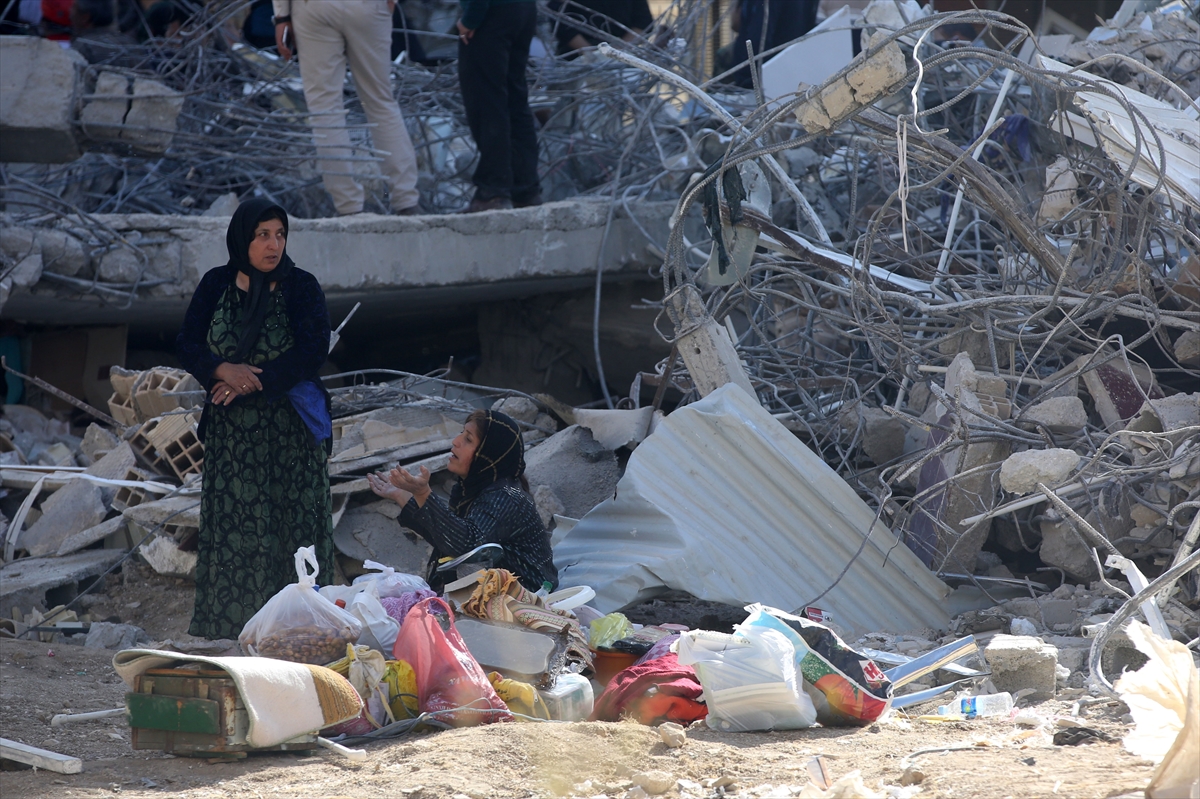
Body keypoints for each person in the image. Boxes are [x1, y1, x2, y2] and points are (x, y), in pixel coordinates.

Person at [176, 198, 335, 640]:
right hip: (233, 437)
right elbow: (187, 343)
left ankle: (302, 631)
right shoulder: (216, 284)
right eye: (263, 235)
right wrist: (221, 370)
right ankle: (234, 628)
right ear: (242, 238)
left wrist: (251, 381)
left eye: (280, 234)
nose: (273, 244)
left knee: (294, 526)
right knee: (237, 528)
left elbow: (312, 350)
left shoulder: (301, 287)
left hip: (289, 430)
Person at [367, 409, 557, 592]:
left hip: (529, 598)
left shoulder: (505, 497)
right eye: (461, 433)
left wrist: (423, 493)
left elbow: (467, 546)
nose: (456, 442)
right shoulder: (476, 489)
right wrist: (403, 494)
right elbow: (446, 536)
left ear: (488, 453)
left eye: (468, 439)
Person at [273, 0, 421, 216]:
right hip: (367, 6)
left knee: (324, 108)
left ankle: (348, 207)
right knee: (380, 101)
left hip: (313, 8)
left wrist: (281, 17)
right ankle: (406, 201)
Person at [456, 0, 541, 212]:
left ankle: (493, 190)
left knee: (486, 100)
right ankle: (525, 188)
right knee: (515, 98)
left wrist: (470, 19)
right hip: (523, 9)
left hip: (491, 12)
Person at [548, 0, 652, 56]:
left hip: (624, 56)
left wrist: (619, 51)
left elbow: (643, 22)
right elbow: (560, 21)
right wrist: (591, 54)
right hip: (578, 57)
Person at [70, 0, 137, 64]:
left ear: (85, 17)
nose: (70, 12)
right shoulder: (131, 43)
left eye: (74, 8)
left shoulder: (84, 47)